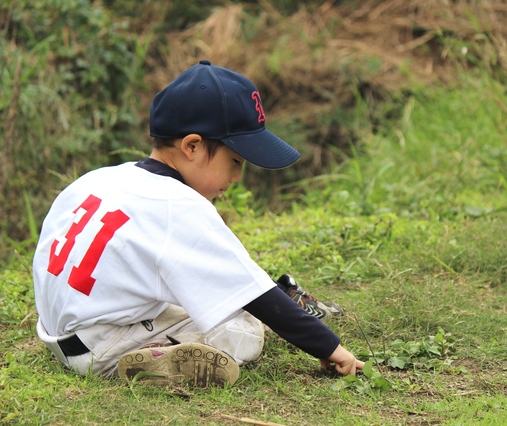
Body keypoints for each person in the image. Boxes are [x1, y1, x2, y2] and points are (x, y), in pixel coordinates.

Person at [32, 60, 364, 388]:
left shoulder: (98, 180)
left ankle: (152, 348)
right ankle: (160, 358)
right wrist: (329, 348)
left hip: (61, 336)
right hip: (105, 350)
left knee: (198, 295)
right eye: (235, 161)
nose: (237, 176)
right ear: (192, 146)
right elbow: (256, 296)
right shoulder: (178, 205)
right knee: (245, 328)